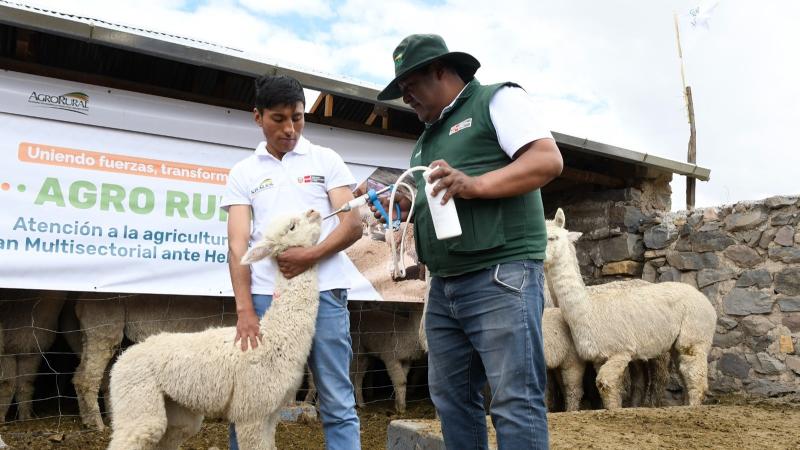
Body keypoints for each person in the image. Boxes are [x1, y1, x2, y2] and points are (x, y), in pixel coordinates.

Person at [376, 34, 563, 449]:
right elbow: (443, 197)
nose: (406, 98)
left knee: (514, 399)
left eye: (410, 87)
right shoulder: (428, 136)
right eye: (401, 92)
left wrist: (475, 184)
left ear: (441, 71)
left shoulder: (496, 101)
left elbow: (547, 160)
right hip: (445, 284)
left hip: (501, 274)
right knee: (451, 397)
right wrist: (405, 204)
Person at [222, 74, 362, 450]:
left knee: (336, 397)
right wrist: (245, 309)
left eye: (297, 118)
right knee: (252, 402)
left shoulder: (325, 160)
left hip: (326, 293)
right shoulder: (244, 172)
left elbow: (352, 224)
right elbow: (238, 245)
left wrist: (309, 256)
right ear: (258, 117)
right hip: (267, 298)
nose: (290, 128)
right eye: (279, 119)